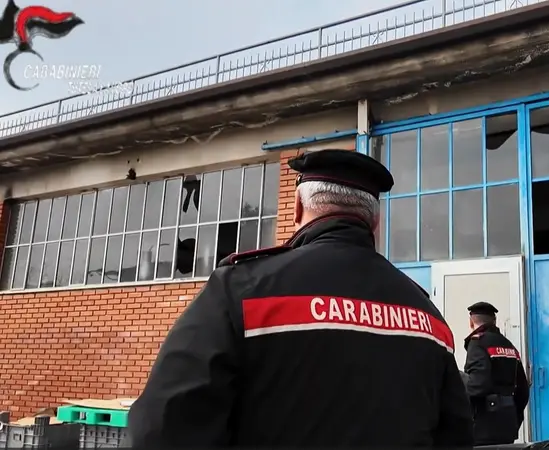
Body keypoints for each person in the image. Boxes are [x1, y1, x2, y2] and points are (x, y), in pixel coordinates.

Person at [127, 149, 473, 448]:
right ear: (375, 222)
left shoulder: (241, 290)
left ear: (296, 207)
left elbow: (164, 428)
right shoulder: (429, 317)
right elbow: (456, 435)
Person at [462, 301, 530, 446]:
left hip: (483, 428)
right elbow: (523, 390)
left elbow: (477, 385)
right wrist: (514, 418)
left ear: (471, 322)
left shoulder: (477, 343)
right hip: (508, 426)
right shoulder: (509, 345)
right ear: (494, 321)